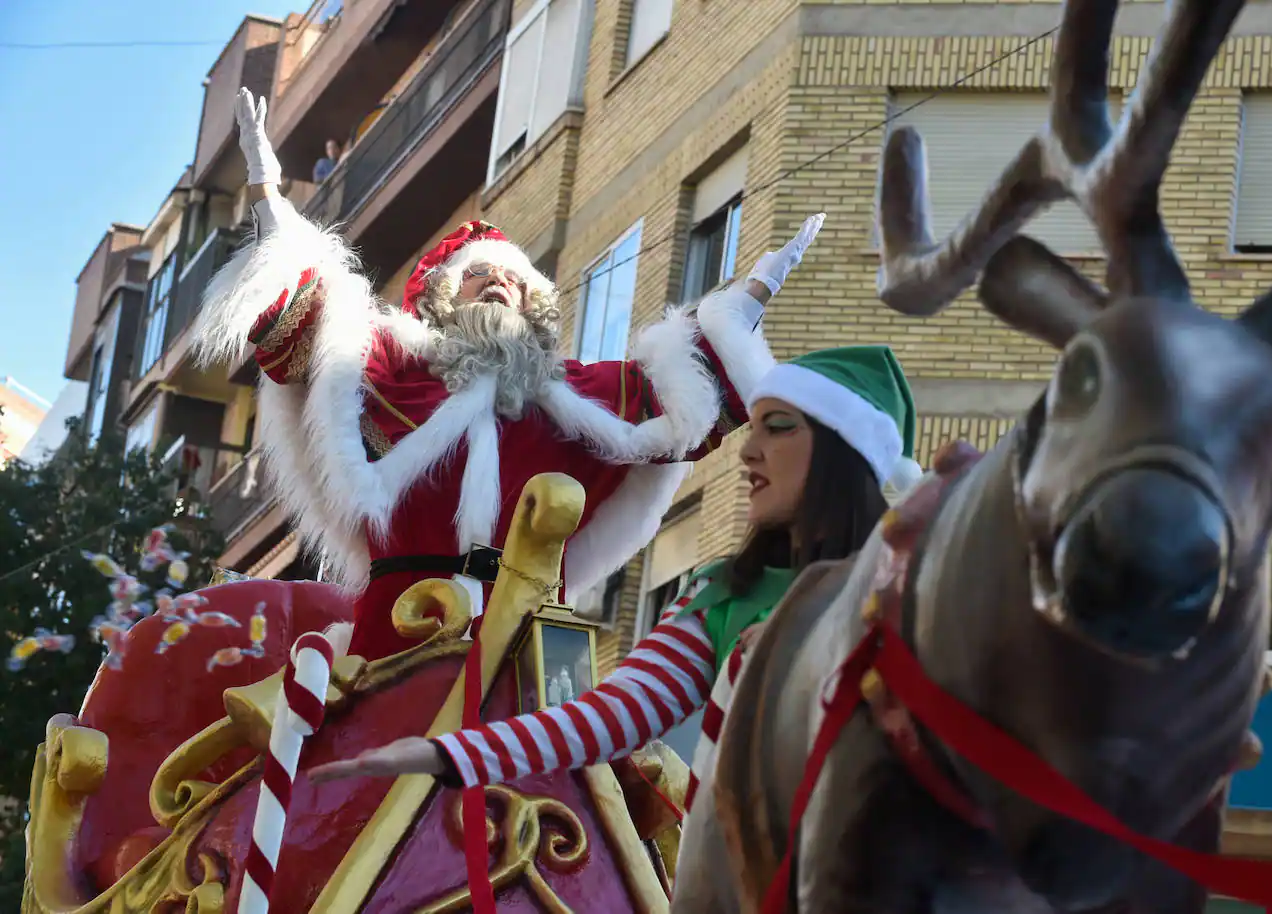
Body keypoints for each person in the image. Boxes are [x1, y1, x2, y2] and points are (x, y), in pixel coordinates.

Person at [192, 90, 825, 660]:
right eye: (479, 275)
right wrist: (270, 199)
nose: (499, 282)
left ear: (533, 308)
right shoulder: (394, 367)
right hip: (395, 638)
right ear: (442, 298)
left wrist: (753, 294)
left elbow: (686, 401)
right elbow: (310, 326)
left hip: (529, 650)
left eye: (515, 281)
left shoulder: (575, 395)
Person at [308, 345, 922, 790]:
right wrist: (447, 755)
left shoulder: (915, 596)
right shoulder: (719, 596)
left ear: (846, 453)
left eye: (780, 429)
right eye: (752, 429)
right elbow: (610, 717)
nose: (750, 452)